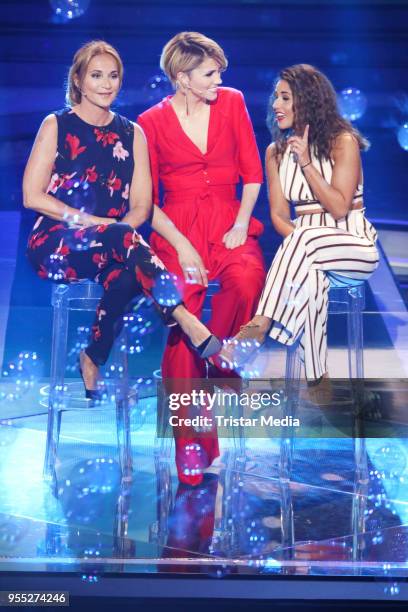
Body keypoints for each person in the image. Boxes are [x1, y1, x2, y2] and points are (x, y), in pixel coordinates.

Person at [23, 40, 221, 402]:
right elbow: (32, 196)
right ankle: (184, 318)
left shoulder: (133, 134)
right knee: (121, 236)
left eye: (113, 76)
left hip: (114, 243)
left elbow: (142, 207)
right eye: (96, 76)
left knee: (130, 275)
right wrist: (93, 222)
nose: (106, 84)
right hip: (55, 244)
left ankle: (93, 356)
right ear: (79, 81)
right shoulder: (56, 124)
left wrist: (113, 230)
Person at [138, 32, 266, 485]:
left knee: (248, 278)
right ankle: (191, 444)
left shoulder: (232, 102)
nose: (219, 79)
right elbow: (145, 201)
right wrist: (183, 245)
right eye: (210, 73)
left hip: (229, 220)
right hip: (176, 229)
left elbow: (252, 173)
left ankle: (221, 360)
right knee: (182, 320)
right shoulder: (149, 123)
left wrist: (239, 224)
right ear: (182, 78)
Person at [219, 64, 379, 390]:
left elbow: (337, 206)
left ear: (306, 101)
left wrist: (307, 163)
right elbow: (279, 215)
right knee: (311, 280)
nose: (275, 105)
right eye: (275, 97)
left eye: (285, 97)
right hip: (306, 255)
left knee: (305, 241)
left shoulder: (342, 142)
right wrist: (303, 253)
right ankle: (317, 381)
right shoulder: (275, 153)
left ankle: (258, 327)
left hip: (354, 248)